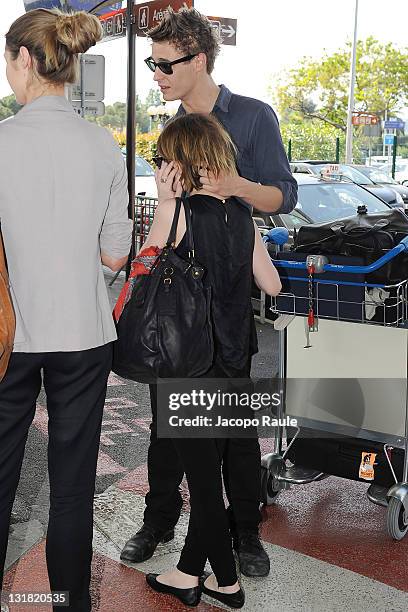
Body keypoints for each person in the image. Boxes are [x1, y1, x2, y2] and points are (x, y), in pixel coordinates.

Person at [121, 6, 296, 577]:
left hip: (228, 307)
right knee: (167, 426)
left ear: (198, 59)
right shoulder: (171, 126)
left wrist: (234, 186)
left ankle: (246, 530)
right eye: (151, 63)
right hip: (176, 316)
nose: (156, 73)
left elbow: (282, 197)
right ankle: (160, 516)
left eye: (164, 63)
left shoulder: (251, 118)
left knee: (236, 430)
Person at [0, 9, 132, 612]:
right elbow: (114, 252)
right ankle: (68, 603)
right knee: (73, 486)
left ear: (25, 59)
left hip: (8, 336)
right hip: (83, 333)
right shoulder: (101, 143)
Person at [141, 112, 281, 608]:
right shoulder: (244, 218)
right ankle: (186, 572)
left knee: (201, 483)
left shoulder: (176, 215)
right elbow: (271, 285)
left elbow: (141, 271)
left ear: (180, 164)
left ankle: (226, 583)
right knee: (211, 471)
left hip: (188, 365)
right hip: (234, 360)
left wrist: (164, 203)